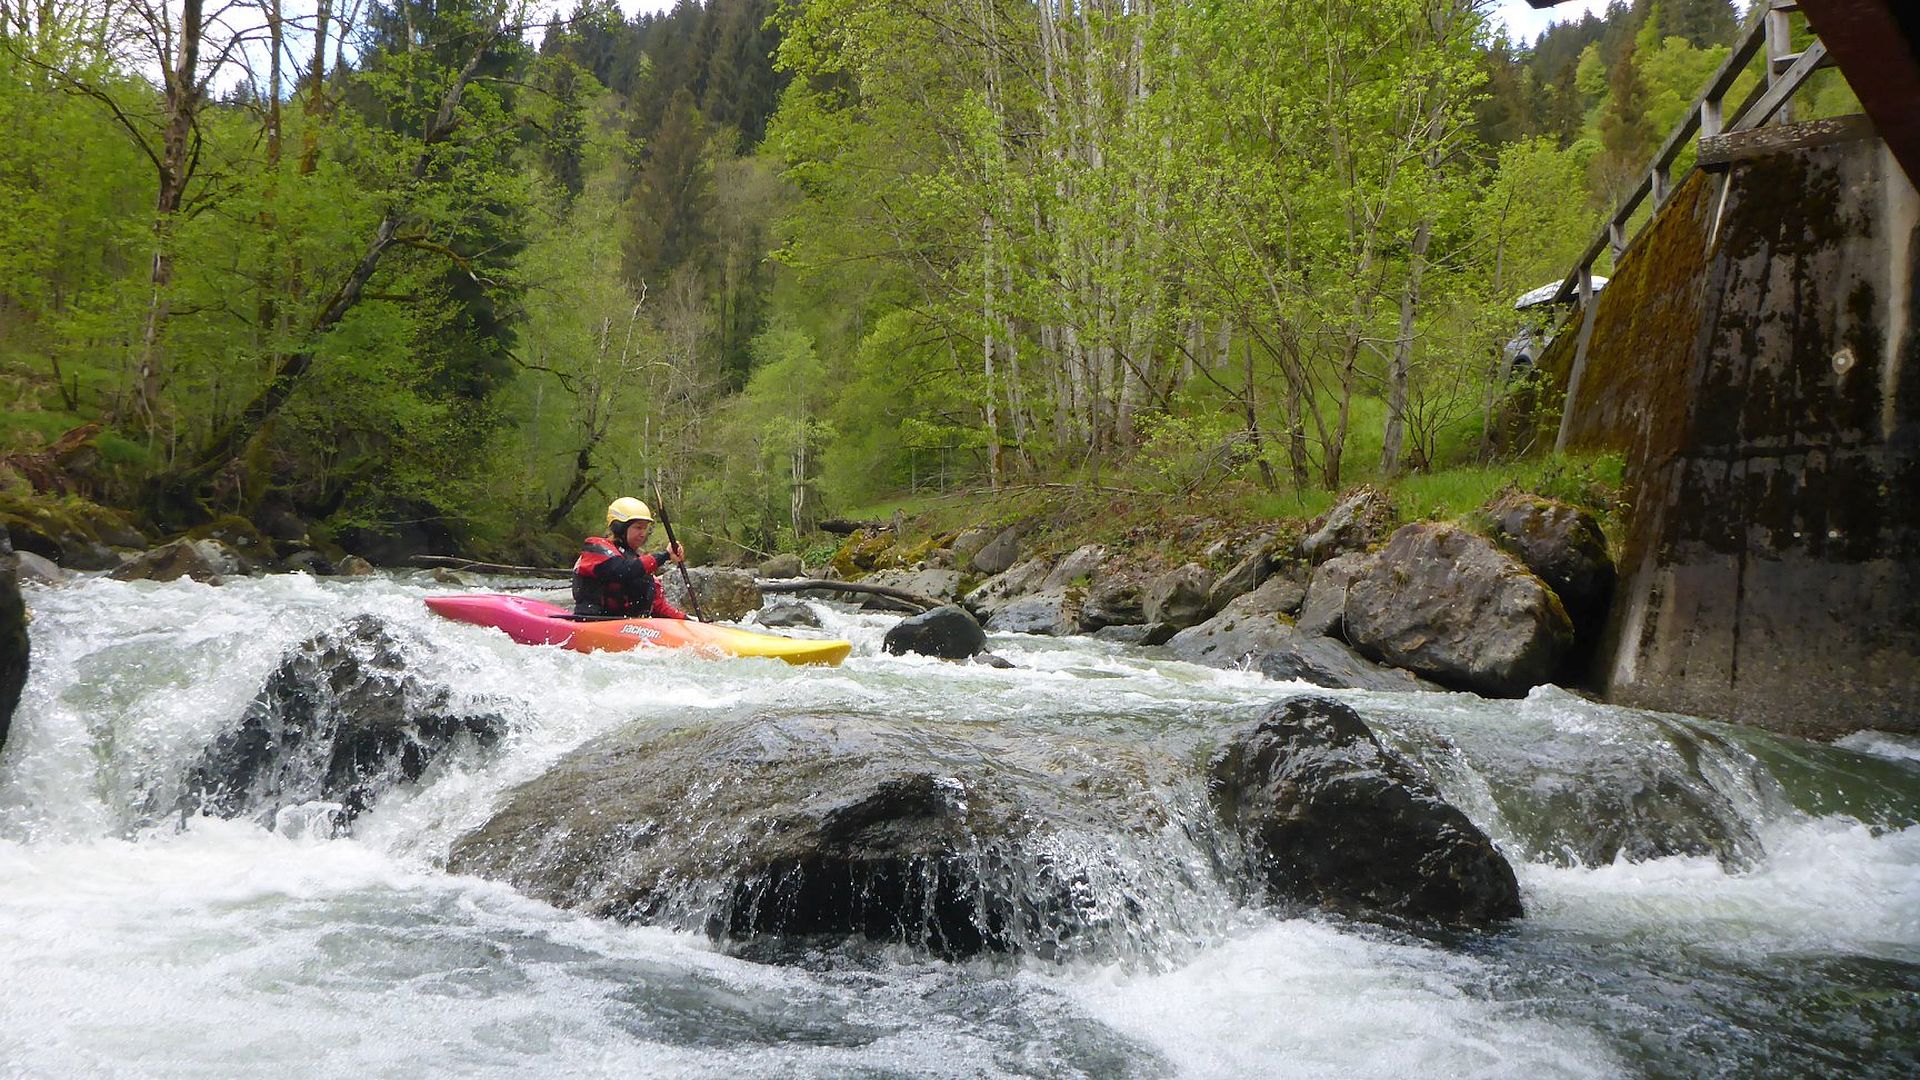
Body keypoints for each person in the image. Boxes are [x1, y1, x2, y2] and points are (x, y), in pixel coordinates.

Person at [572, 497, 691, 619]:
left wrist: (688, 621)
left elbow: (658, 606)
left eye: (645, 528)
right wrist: (665, 555)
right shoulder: (595, 548)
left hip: (629, 627)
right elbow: (622, 570)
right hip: (594, 622)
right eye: (638, 527)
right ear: (620, 527)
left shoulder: (639, 561)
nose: (643, 533)